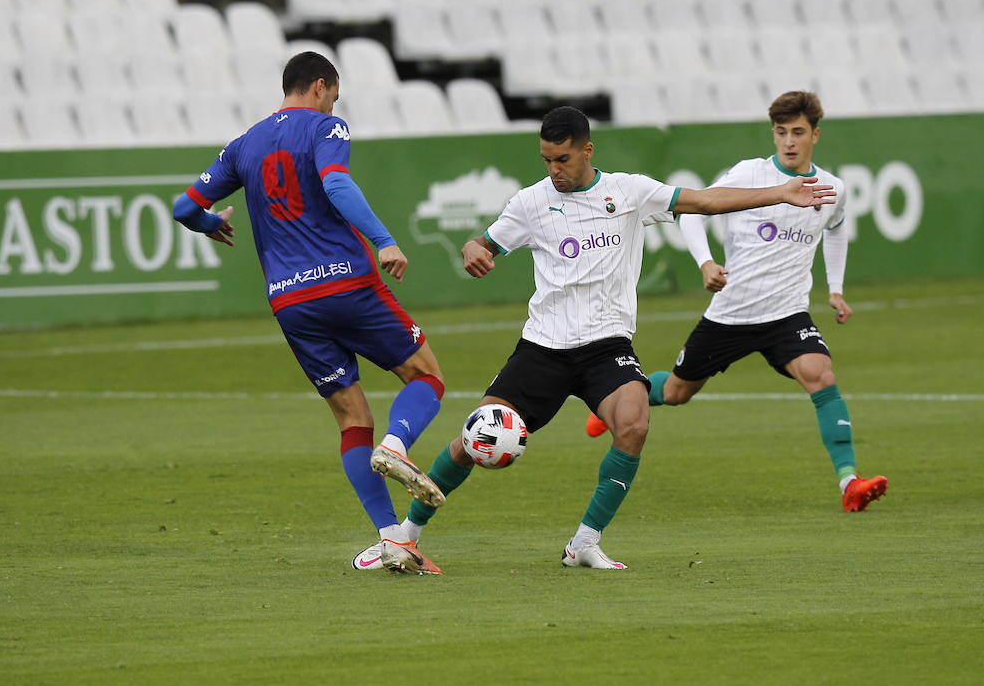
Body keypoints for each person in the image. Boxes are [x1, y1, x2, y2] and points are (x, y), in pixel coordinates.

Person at [352, 106, 836, 571]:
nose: (554, 169)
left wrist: (781, 192)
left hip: (607, 347)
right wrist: (473, 250)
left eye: (562, 159)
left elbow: (706, 201)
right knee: (474, 440)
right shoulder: (531, 202)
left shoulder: (629, 192)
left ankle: (585, 543)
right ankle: (404, 537)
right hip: (544, 347)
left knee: (635, 424)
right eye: (546, 159)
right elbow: (483, 242)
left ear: (587, 150)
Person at [172, 51, 449, 574]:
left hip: (290, 301)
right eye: (334, 97)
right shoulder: (327, 128)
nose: (333, 106)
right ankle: (397, 444)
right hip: (347, 281)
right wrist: (385, 240)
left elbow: (183, 207)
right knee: (426, 376)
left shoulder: (243, 144)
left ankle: (393, 540)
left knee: (350, 418)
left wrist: (210, 226)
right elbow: (337, 183)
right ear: (321, 86)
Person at [584, 90, 888, 512]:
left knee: (821, 374)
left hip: (786, 313)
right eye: (781, 132)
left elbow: (835, 229)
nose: (789, 141)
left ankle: (849, 483)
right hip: (730, 314)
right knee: (675, 392)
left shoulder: (832, 188)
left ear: (815, 135)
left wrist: (834, 289)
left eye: (798, 132)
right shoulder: (749, 174)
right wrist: (707, 263)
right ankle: (617, 399)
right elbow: (692, 211)